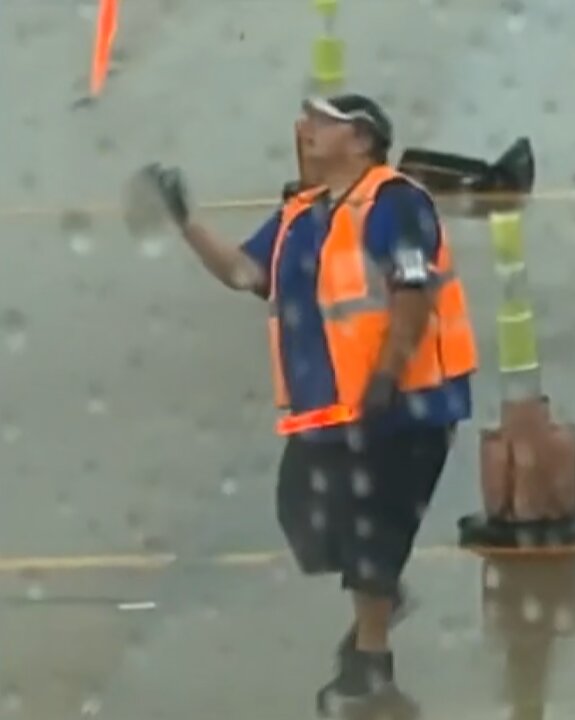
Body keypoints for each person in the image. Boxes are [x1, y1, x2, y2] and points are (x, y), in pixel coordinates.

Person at [137, 93, 478, 712]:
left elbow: (412, 290)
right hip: (328, 409)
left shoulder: (395, 202)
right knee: (305, 518)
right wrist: (187, 221)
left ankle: (370, 663)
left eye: (324, 121)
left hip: (401, 406)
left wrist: (386, 375)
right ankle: (382, 605)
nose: (307, 130)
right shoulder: (302, 213)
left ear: (363, 140)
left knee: (373, 534)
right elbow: (246, 273)